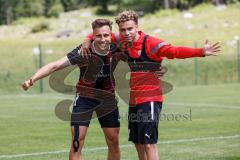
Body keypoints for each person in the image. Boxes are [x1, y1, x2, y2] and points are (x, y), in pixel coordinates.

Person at [81, 10, 221, 160]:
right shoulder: (121, 41)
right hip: (134, 100)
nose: (126, 32)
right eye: (123, 29)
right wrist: (87, 38)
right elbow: (102, 33)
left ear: (137, 27)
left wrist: (200, 51)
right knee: (138, 142)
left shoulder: (151, 43)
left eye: (130, 28)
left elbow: (174, 51)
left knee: (148, 143)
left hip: (150, 99)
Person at [22, 19, 124, 160]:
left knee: (113, 142)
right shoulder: (83, 51)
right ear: (93, 36)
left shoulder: (117, 47)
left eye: (106, 35)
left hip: (107, 99)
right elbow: (55, 65)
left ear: (111, 35)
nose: (102, 39)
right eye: (98, 36)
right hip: (84, 99)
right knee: (77, 142)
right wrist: (32, 79)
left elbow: (138, 47)